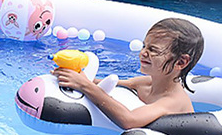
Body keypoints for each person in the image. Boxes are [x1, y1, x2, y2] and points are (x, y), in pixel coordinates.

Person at [53, 18, 204, 129]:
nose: (143, 53)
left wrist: (85, 86)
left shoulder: (173, 101)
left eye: (153, 50)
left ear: (181, 62)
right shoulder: (145, 83)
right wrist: (76, 76)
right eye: (144, 46)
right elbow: (106, 83)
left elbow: (129, 121)